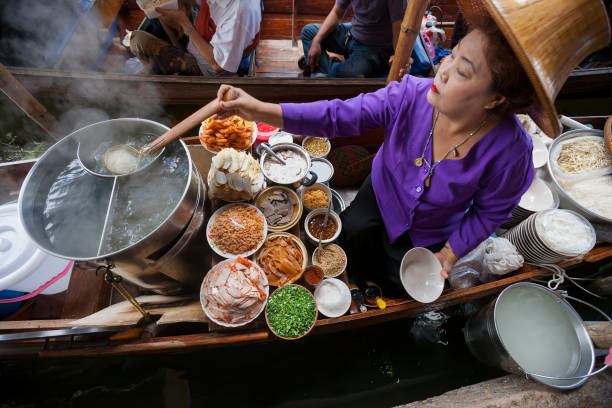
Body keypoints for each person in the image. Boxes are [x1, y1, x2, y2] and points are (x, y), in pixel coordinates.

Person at [130, 0, 261, 76]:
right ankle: (159, 70)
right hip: (195, 45)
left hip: (208, 71)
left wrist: (184, 23)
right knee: (153, 24)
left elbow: (218, 64)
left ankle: (159, 76)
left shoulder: (241, 11)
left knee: (138, 40)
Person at [299, 0, 405, 78]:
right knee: (309, 32)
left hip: (373, 48)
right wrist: (317, 40)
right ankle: (323, 72)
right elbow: (336, 13)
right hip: (352, 34)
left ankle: (324, 68)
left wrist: (397, 54)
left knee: (346, 75)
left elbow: (398, 26)